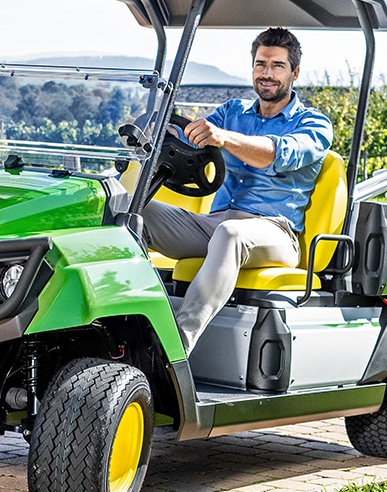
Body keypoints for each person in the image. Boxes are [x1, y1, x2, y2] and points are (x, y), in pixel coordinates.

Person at [143, 26, 333, 354]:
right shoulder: (233, 112)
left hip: (275, 233)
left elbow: (275, 154)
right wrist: (160, 130)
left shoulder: (313, 125)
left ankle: (174, 349)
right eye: (261, 64)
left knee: (231, 234)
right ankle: (128, 319)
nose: (267, 74)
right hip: (215, 225)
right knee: (136, 209)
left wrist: (224, 138)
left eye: (277, 66)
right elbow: (193, 138)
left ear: (294, 72)